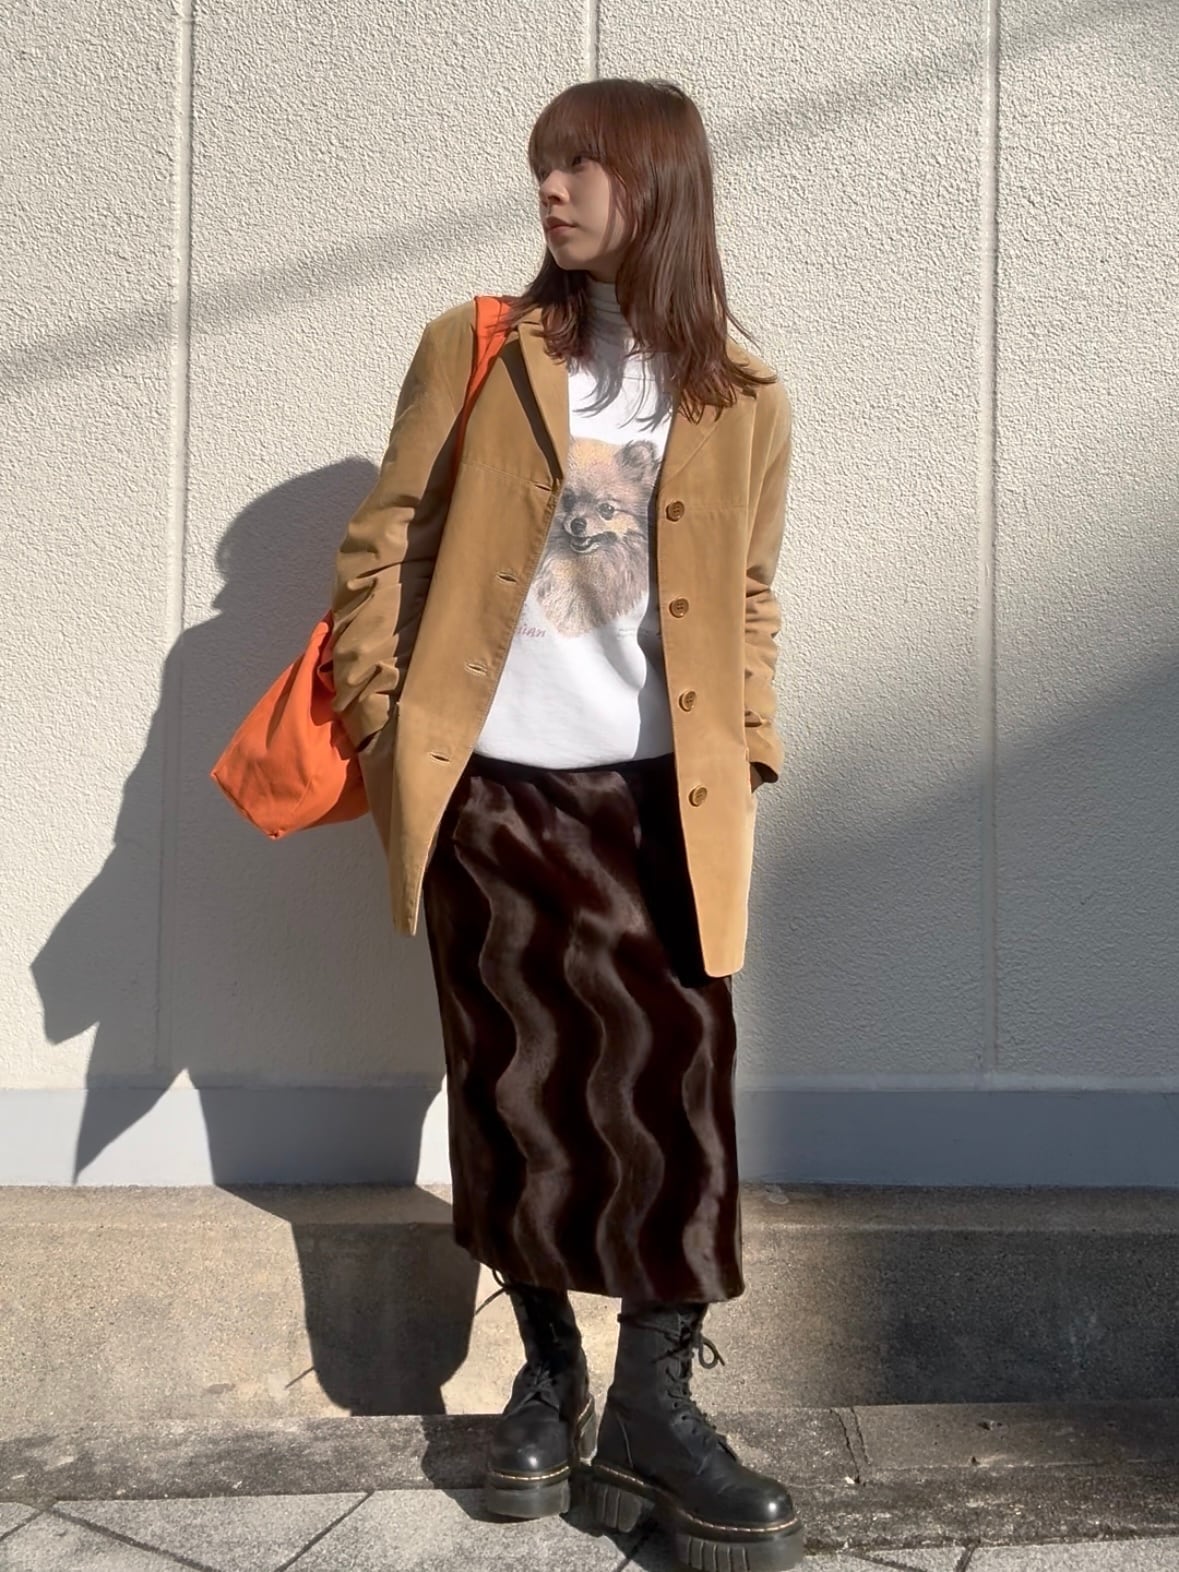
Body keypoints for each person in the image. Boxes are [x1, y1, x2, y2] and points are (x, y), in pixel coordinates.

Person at [328, 76, 802, 1572]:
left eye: (583, 167)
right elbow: (386, 544)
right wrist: (388, 726)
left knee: (679, 1102)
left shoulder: (740, 393)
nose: (551, 190)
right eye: (544, 166)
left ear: (658, 186)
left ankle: (657, 1409)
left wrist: (751, 744)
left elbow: (748, 593)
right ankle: (549, 1378)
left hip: (658, 798)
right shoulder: (480, 351)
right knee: (514, 1089)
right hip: (493, 791)